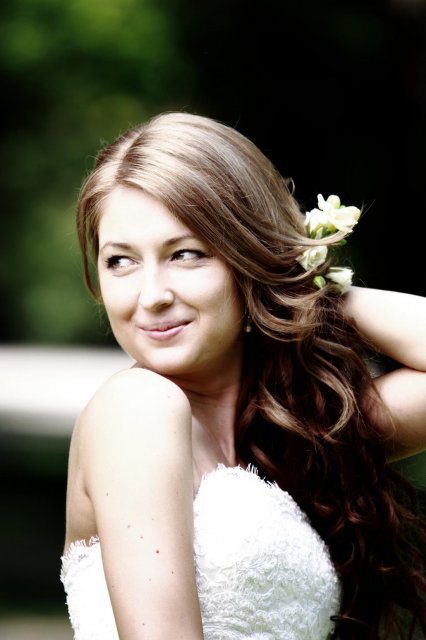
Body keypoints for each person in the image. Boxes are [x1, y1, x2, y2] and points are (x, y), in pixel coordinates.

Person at [61, 111, 426, 640]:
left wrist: (304, 286)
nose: (151, 295)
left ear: (247, 258)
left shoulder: (292, 431)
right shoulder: (137, 408)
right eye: (120, 261)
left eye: (185, 254)